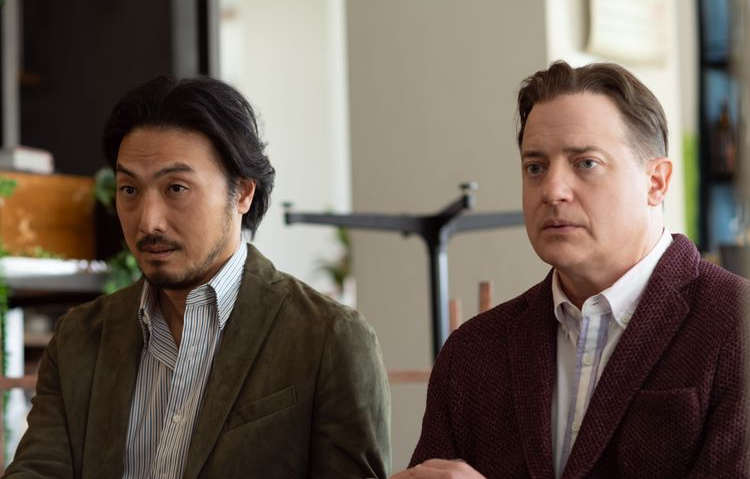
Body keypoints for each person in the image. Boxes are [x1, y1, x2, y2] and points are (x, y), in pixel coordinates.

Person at [5, 76, 391, 478]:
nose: (148, 222)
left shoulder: (329, 339)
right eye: (130, 190)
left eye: (176, 188)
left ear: (243, 193)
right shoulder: (80, 338)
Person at [393, 61, 749, 478]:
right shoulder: (472, 352)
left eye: (585, 163)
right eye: (535, 167)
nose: (552, 191)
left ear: (656, 182)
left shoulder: (737, 325)